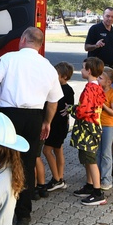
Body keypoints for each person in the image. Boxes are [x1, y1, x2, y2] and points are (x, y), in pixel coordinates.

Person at [0, 26, 62, 225]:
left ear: (23, 40)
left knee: (4, 161)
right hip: (35, 117)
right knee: (27, 164)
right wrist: (47, 122)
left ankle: (1, 209)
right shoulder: (48, 66)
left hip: (10, 115)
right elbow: (53, 102)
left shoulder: (9, 59)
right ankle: (23, 214)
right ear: (40, 44)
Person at [70, 57, 107, 206]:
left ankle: (98, 192)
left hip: (88, 128)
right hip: (93, 126)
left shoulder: (90, 89)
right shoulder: (97, 87)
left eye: (83, 68)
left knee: (90, 160)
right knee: (87, 158)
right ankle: (90, 185)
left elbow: (83, 111)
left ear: (89, 71)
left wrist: (72, 110)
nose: (81, 70)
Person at [41, 62, 74, 193]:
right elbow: (69, 108)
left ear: (64, 76)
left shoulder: (61, 89)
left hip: (56, 125)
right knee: (58, 150)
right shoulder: (69, 90)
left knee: (46, 151)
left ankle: (56, 179)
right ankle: (60, 177)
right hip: (62, 125)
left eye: (56, 74)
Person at [98, 67, 113, 192]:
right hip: (97, 124)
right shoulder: (98, 90)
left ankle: (107, 180)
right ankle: (97, 176)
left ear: (108, 82)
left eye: (101, 78)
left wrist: (103, 105)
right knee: (97, 152)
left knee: (106, 153)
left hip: (108, 126)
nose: (98, 79)